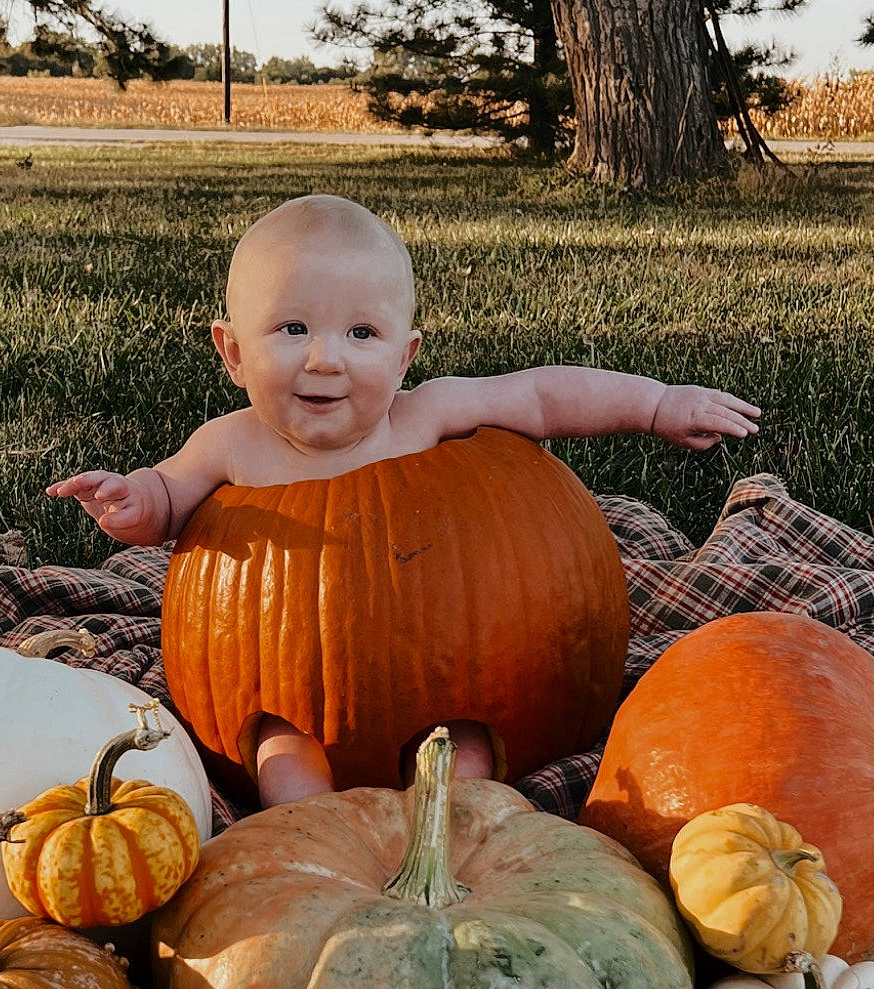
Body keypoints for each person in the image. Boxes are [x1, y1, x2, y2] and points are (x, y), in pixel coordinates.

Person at [50, 193, 759, 805]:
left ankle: (444, 834)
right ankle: (307, 841)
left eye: (362, 334)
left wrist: (656, 404)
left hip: (443, 678)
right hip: (288, 681)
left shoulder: (423, 417)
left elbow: (541, 396)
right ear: (233, 352)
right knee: (278, 752)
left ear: (404, 357)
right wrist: (133, 502)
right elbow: (168, 497)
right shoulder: (230, 445)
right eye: (293, 329)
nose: (325, 358)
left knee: (470, 751)